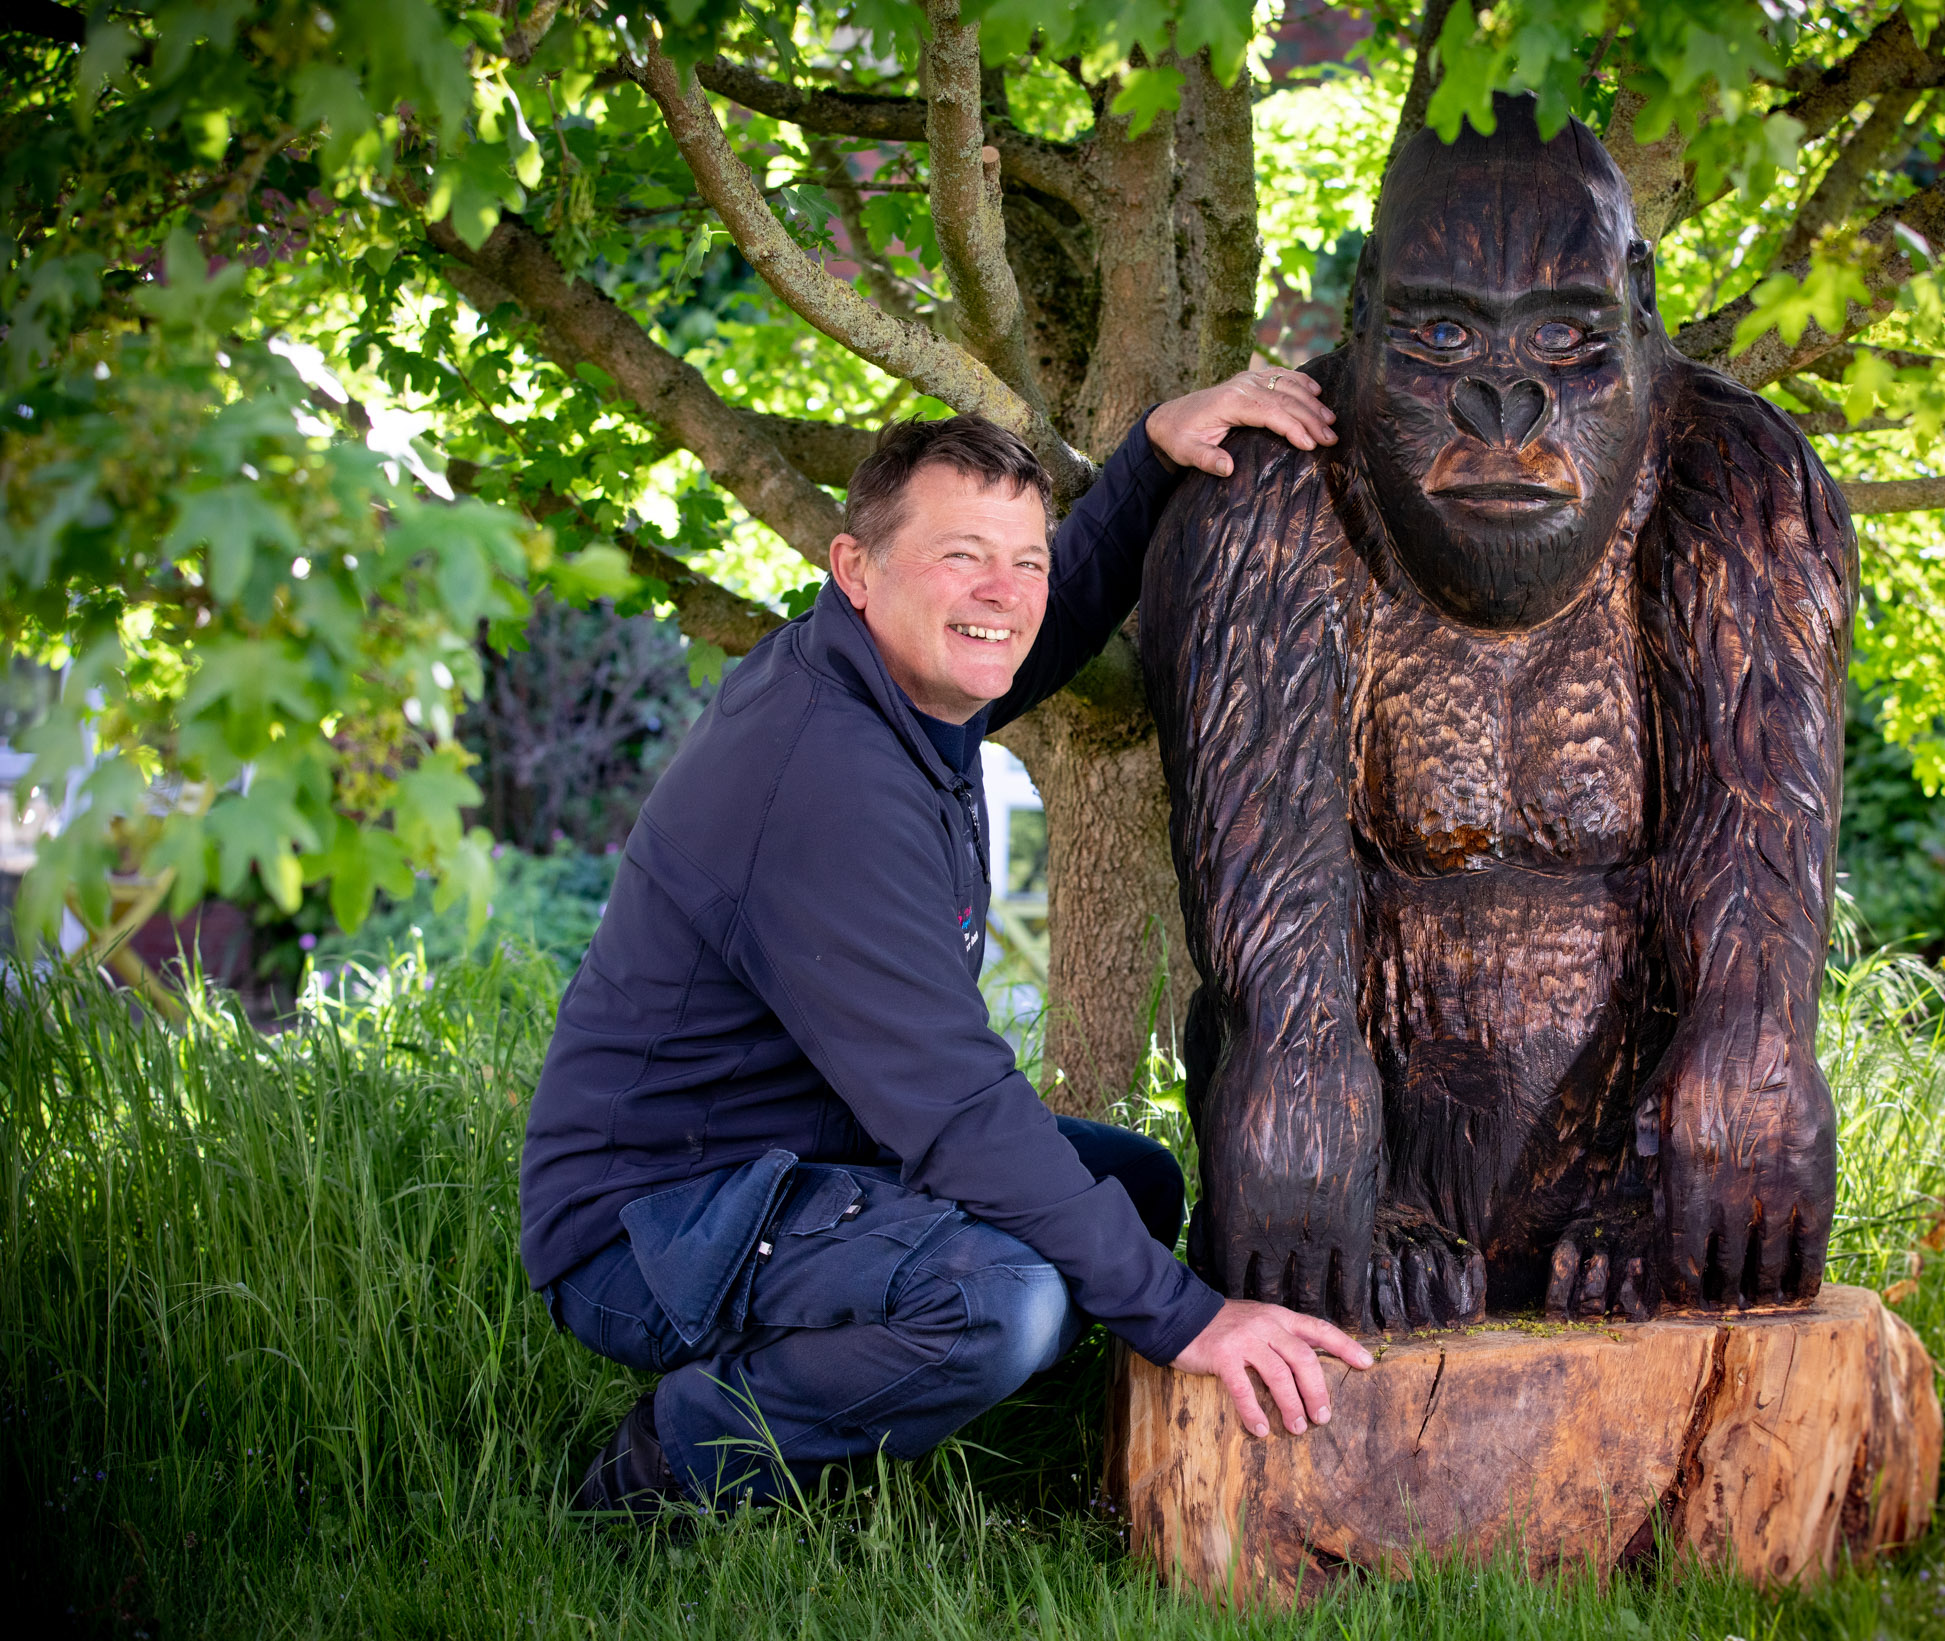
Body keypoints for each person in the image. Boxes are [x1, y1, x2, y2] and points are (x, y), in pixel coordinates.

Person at [519, 371, 1374, 1511]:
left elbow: (1025, 624)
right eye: (961, 554)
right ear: (855, 569)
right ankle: (672, 1468)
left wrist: (1151, 455)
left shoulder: (886, 678)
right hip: (658, 1222)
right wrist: (1189, 1319)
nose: (1003, 592)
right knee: (998, 1302)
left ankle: (903, 1399)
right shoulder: (824, 777)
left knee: (1126, 1187)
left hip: (802, 1158)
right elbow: (954, 1107)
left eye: (1023, 557)